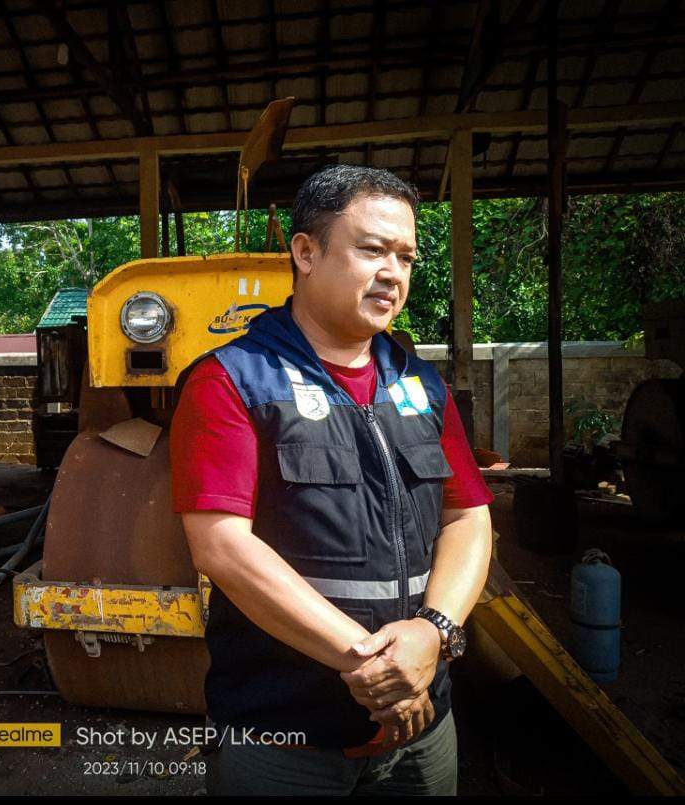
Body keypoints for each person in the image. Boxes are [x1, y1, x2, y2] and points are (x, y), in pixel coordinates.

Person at [170, 164, 494, 796]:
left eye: (406, 257)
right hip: (284, 730)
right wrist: (374, 666)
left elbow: (468, 517)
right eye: (372, 249)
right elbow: (221, 546)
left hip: (425, 723)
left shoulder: (422, 386)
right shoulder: (231, 381)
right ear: (306, 252)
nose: (393, 272)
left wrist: (434, 634)